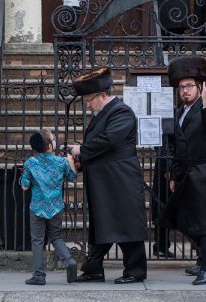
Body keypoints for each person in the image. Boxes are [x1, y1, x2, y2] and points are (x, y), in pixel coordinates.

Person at [67, 67, 148, 284]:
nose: (87, 104)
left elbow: (110, 140)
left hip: (121, 180)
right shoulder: (104, 113)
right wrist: (81, 159)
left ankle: (136, 270)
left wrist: (82, 150)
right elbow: (101, 147)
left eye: (89, 100)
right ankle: (94, 269)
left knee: (127, 225)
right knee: (102, 225)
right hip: (105, 181)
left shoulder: (121, 112)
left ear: (102, 95)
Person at [160, 57, 206, 285]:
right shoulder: (181, 111)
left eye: (189, 86)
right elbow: (179, 146)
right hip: (186, 173)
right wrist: (174, 174)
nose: (185, 91)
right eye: (181, 87)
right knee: (182, 218)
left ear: (199, 87)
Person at [19, 129, 78, 285]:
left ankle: (39, 275)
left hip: (37, 207)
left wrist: (25, 177)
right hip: (55, 206)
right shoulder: (61, 162)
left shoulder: (31, 163)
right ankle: (69, 261)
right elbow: (73, 178)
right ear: (50, 145)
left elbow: (24, 186)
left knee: (37, 241)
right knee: (56, 237)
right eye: (53, 138)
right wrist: (70, 161)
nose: (56, 140)